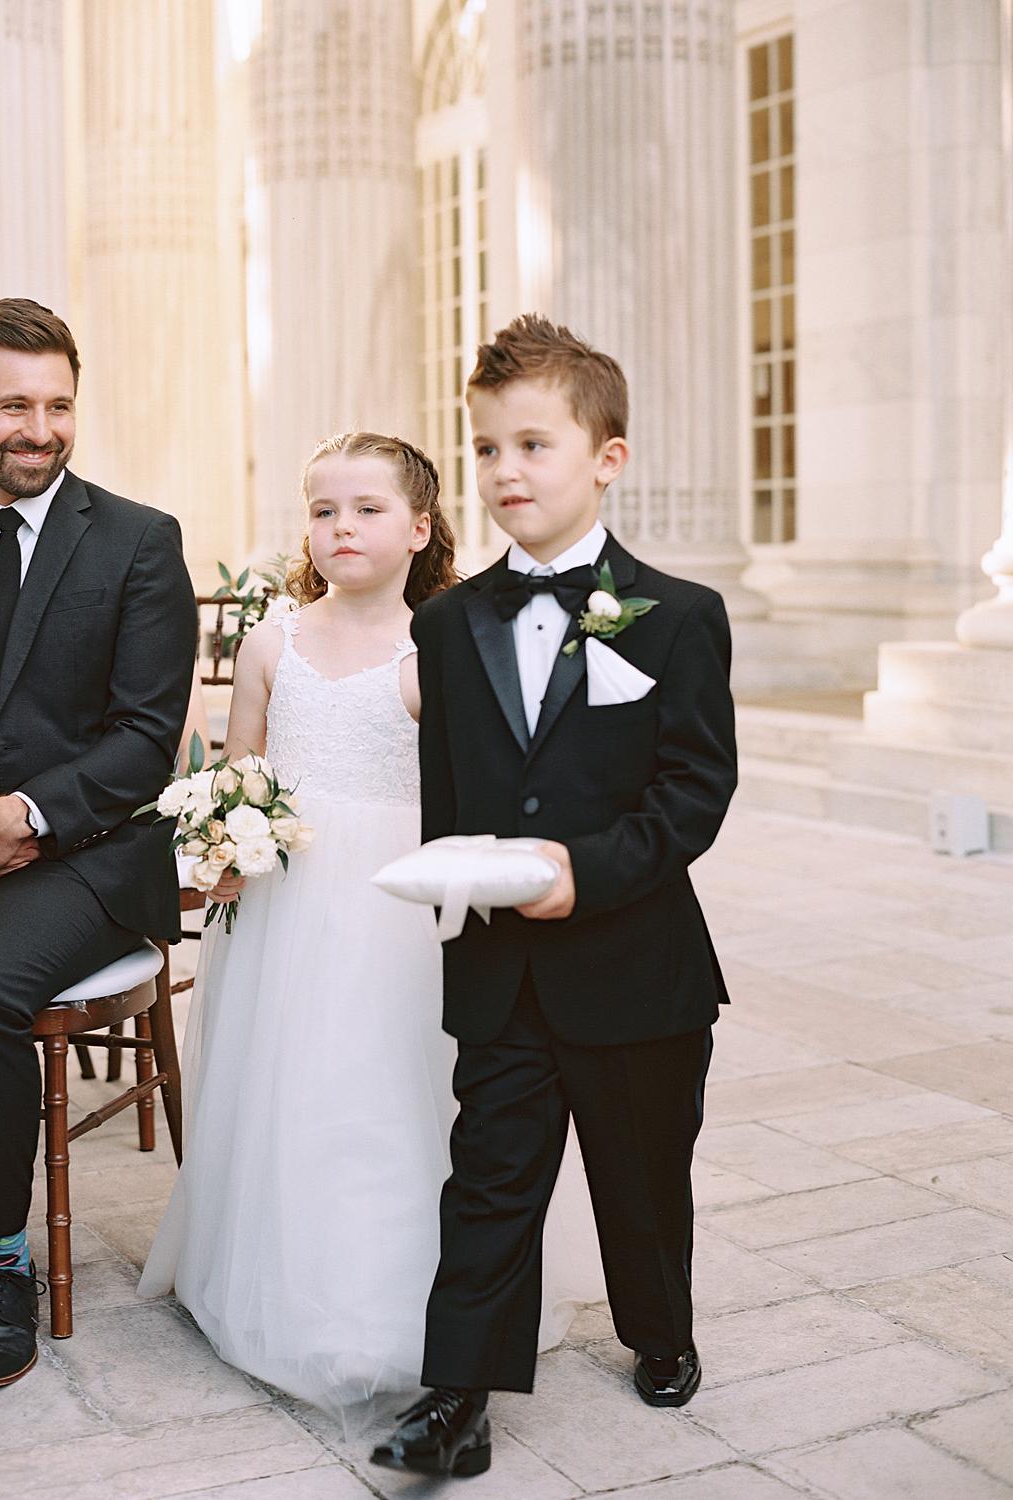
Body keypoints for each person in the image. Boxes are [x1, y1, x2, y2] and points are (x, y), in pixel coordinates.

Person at [139, 431, 603, 1418]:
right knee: (296, 1088)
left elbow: (484, 788)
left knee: (398, 1091)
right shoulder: (272, 642)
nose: (341, 528)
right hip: (291, 906)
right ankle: (298, 1292)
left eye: (368, 509)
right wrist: (223, 837)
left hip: (405, 912)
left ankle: (420, 1304)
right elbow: (241, 774)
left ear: (421, 527)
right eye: (322, 510)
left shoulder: (442, 645)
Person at [372, 314, 738, 1478]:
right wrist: (455, 898)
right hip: (501, 972)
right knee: (488, 1181)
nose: (505, 472)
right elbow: (447, 801)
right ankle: (458, 1397)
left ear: (607, 458)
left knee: (642, 1177)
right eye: (485, 449)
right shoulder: (445, 623)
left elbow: (695, 793)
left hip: (639, 967)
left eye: (533, 445)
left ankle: (660, 1332)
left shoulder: (679, 616)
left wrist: (590, 871)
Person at [0, 298, 197, 1389]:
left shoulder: (138, 540)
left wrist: (20, 819)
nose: (40, 428)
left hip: (87, 854)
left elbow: (142, 740)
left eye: (59, 404)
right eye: (14, 405)